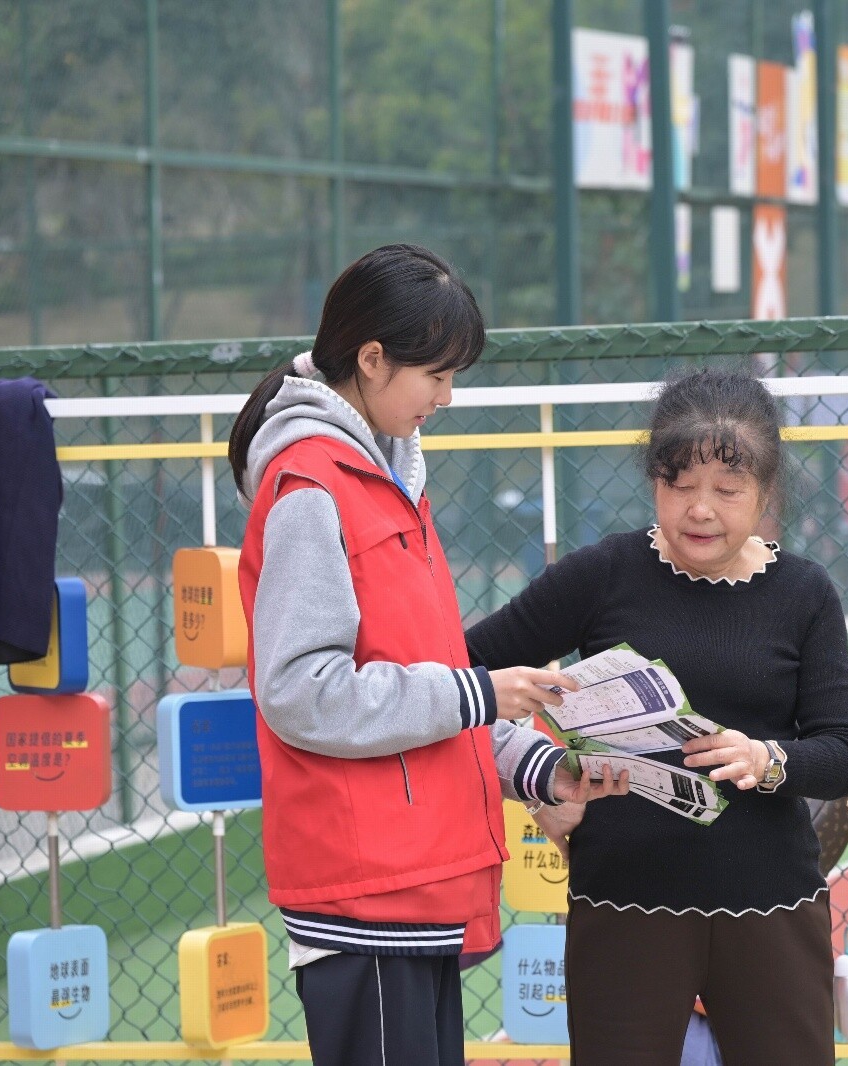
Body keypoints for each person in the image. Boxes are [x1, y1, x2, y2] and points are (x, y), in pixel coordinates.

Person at [227, 243, 626, 1066]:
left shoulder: (388, 478)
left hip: (414, 885)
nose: (446, 397)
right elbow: (303, 692)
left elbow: (428, 678)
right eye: (436, 375)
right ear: (371, 359)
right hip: (366, 890)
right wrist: (480, 693)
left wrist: (538, 769)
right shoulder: (311, 487)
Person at [466, 367, 848, 1066]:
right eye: (679, 485)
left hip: (770, 899)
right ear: (654, 480)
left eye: (727, 490)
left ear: (766, 491)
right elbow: (461, 674)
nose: (700, 510)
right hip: (623, 898)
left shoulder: (803, 592)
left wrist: (767, 758)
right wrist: (538, 779)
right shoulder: (602, 575)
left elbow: (847, 754)